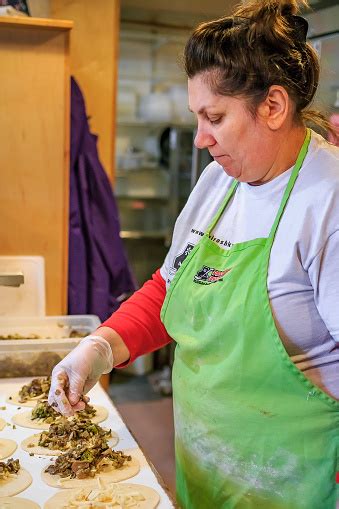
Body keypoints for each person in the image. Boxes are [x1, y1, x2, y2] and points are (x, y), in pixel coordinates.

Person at [49, 0, 339, 507]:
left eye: (216, 117)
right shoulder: (219, 181)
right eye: (197, 117)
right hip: (207, 470)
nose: (202, 138)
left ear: (273, 105)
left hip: (297, 480)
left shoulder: (328, 199)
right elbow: (174, 285)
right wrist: (99, 347)